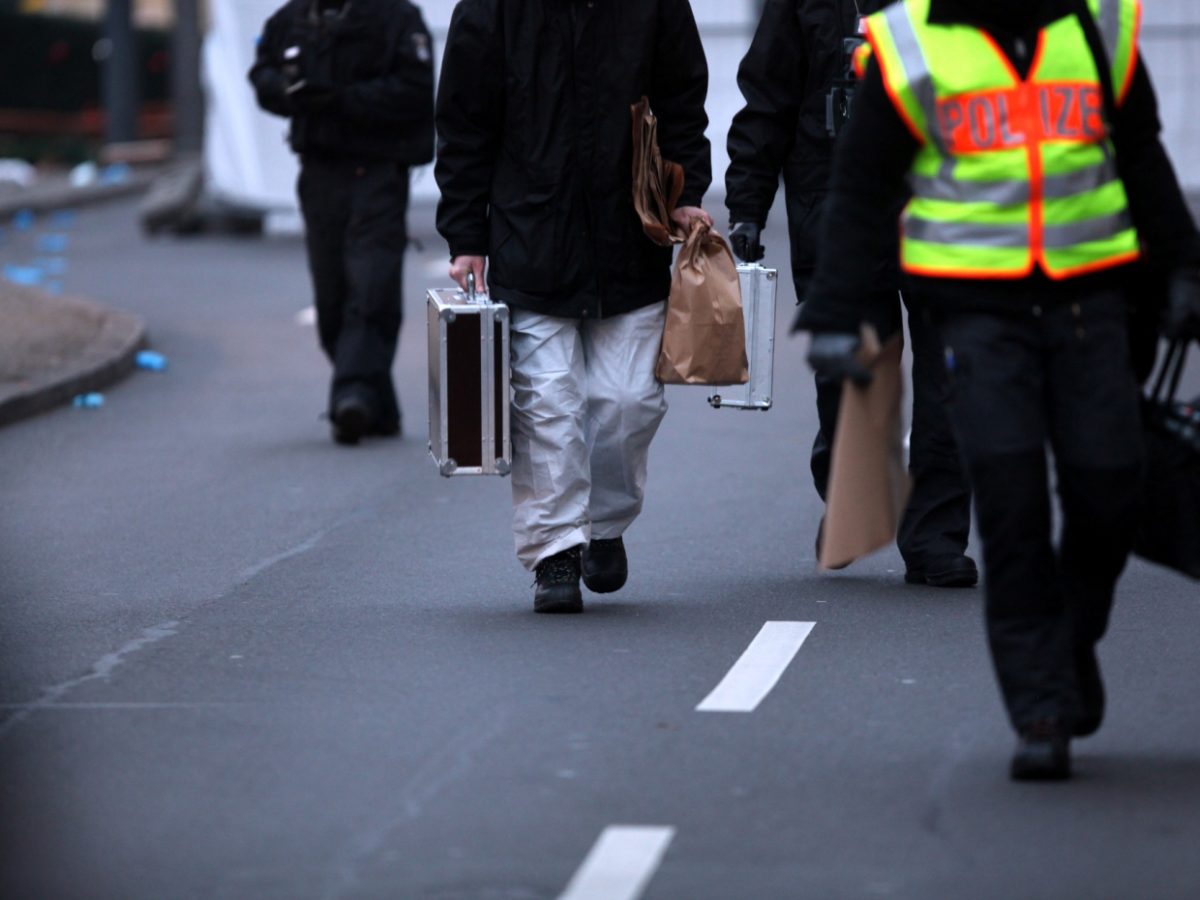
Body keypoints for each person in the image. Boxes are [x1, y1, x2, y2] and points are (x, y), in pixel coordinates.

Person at [800, 0, 1200, 779]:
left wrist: (1184, 266)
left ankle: (1072, 640)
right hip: (976, 315)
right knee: (1012, 508)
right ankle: (1040, 706)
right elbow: (860, 187)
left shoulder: (1096, 28)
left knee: (1109, 489)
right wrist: (839, 313)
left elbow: (1141, 153)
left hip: (1091, 305)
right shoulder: (911, 44)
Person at [435, 0, 712, 614]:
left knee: (628, 402)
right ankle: (556, 550)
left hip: (629, 238)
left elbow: (683, 97)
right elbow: (464, 120)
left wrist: (686, 192)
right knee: (548, 401)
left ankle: (604, 526)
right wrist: (465, 236)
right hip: (531, 234)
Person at [726, 0, 977, 588]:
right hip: (838, 213)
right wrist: (747, 205)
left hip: (945, 212)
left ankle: (936, 538)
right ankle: (849, 494)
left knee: (953, 379)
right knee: (851, 378)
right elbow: (768, 101)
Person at [249, 0, 434, 445]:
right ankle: (378, 405)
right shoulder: (292, 19)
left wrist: (343, 99)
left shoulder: (396, 18)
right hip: (321, 170)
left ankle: (350, 394)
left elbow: (414, 88)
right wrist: (292, 89)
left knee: (371, 285)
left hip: (378, 171)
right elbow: (263, 76)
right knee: (332, 297)